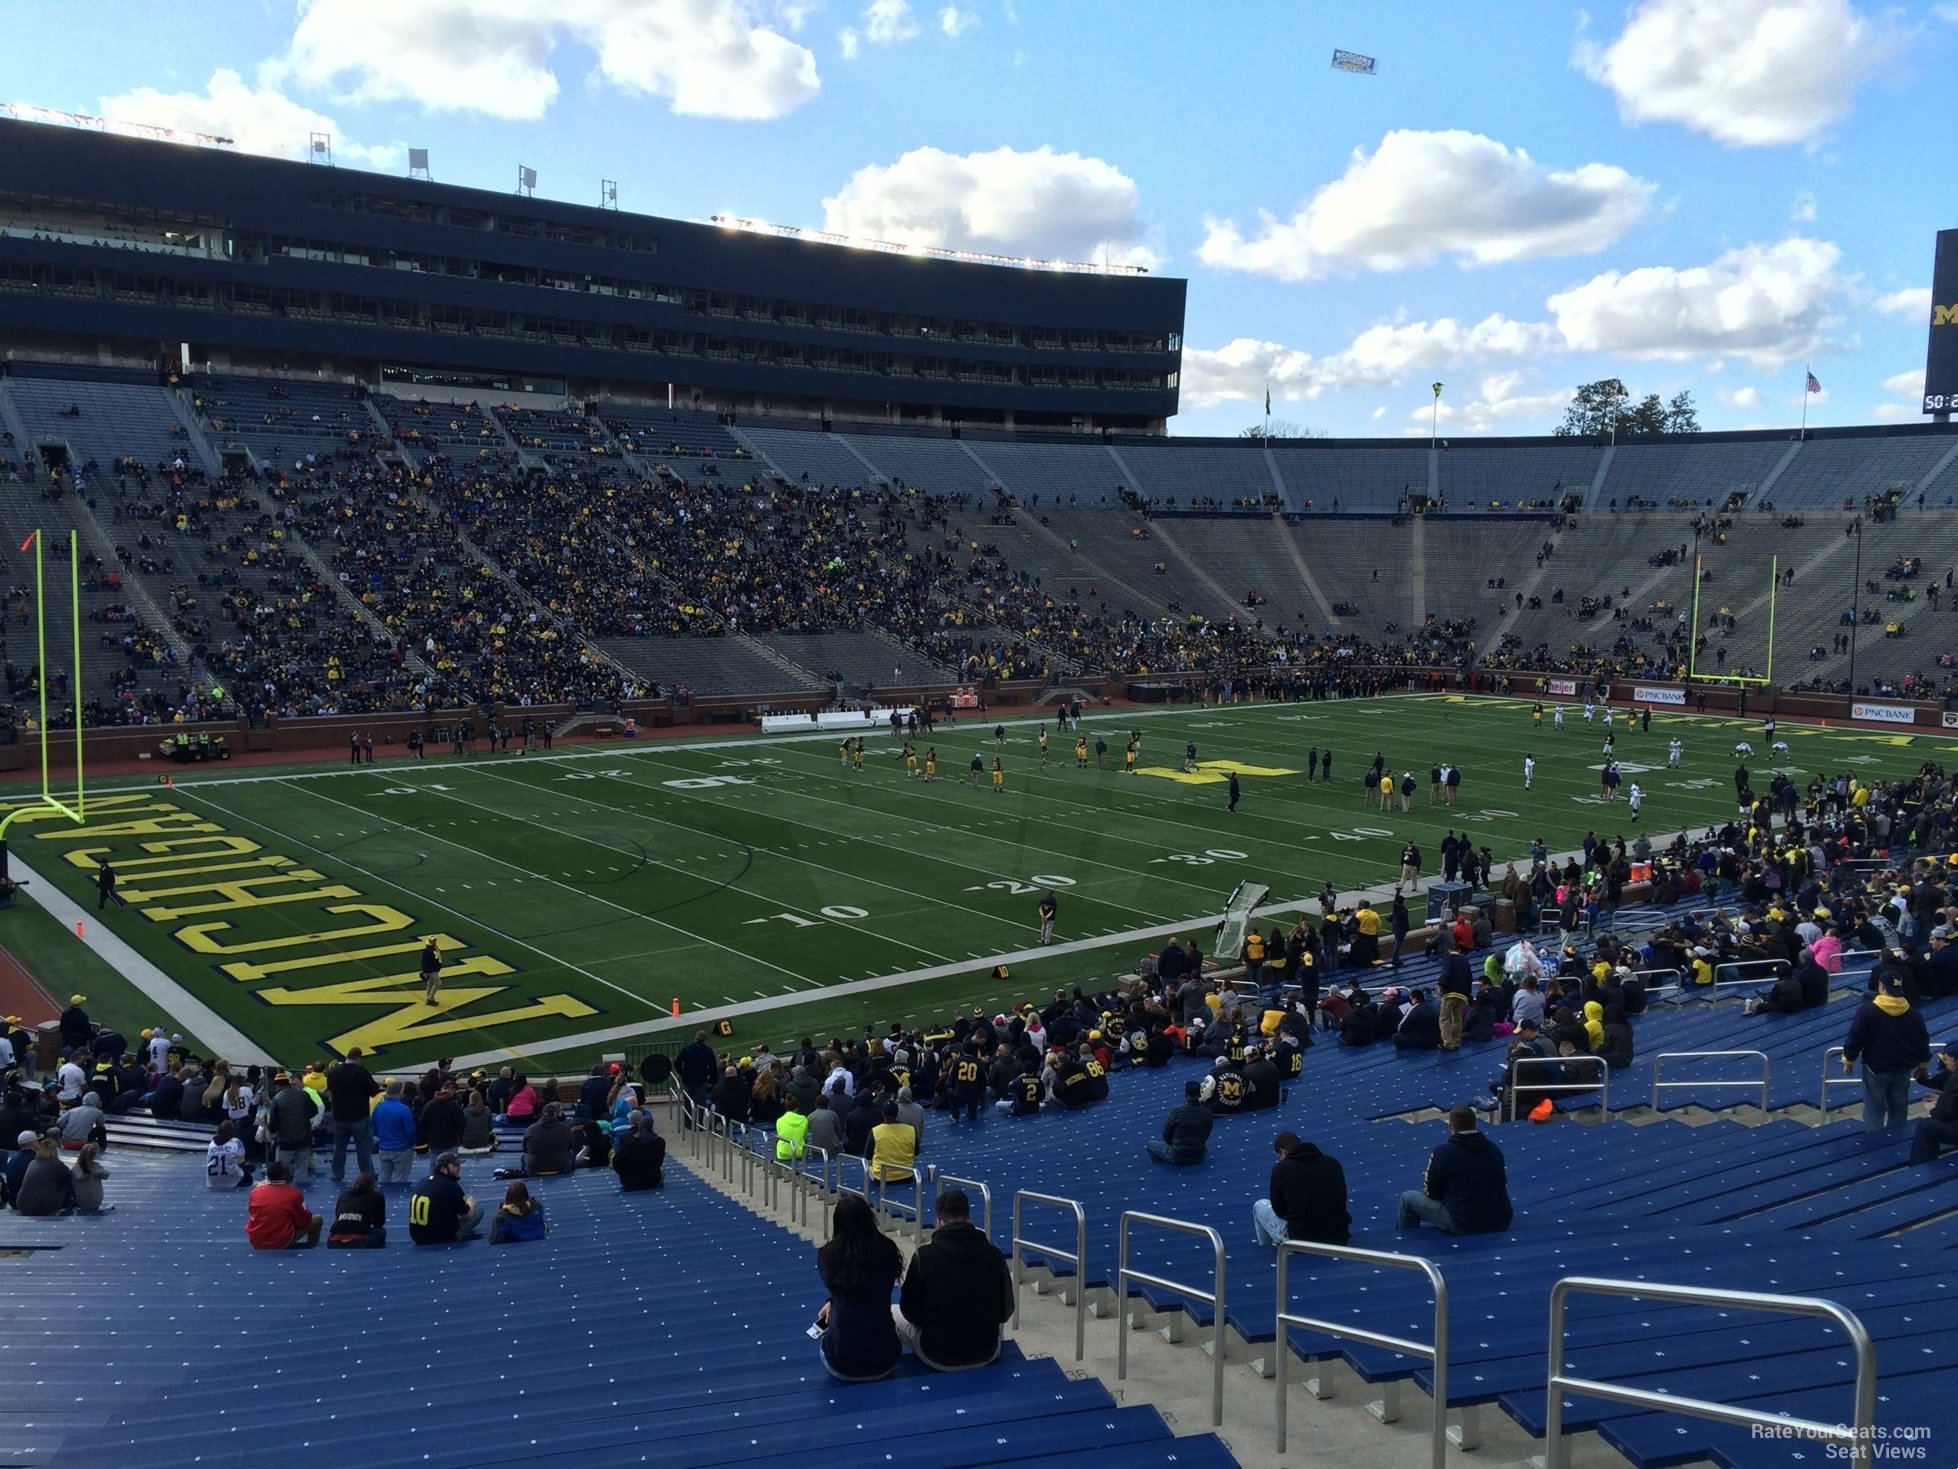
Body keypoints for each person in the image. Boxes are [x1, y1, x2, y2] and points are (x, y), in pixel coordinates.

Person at [895, 1189, 1014, 1370]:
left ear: (939, 1223)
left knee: (891, 1313)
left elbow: (909, 1312)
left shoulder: (924, 1257)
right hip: (986, 1352)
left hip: (936, 1355)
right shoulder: (994, 1255)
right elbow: (1006, 1311)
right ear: (969, 1219)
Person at [815, 1192, 904, 1382]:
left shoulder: (827, 1256)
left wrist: (833, 1301)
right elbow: (875, 1289)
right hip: (886, 1361)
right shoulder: (887, 1250)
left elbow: (843, 1288)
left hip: (841, 1364)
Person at [1397, 1105, 1513, 1235]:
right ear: (1475, 1124)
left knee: (1407, 1198)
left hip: (1464, 1223)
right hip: (1501, 1220)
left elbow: (1431, 1192)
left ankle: (1405, 1242)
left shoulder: (1443, 1153)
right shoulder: (1494, 1149)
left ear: (1450, 1127)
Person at [1842, 975, 1932, 1132]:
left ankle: (1874, 1147)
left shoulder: (1867, 1011)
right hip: (1903, 1069)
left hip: (1875, 1069)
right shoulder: (1914, 1014)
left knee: (1873, 1111)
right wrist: (1923, 1065)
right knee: (1899, 1110)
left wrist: (1849, 1060)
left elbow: (1855, 1037)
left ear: (1882, 987)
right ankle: (1895, 1146)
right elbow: (1922, 1041)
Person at [1252, 1132, 1350, 1247]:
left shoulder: (1281, 1170)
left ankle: (1267, 1250)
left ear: (1283, 1152)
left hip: (1300, 1240)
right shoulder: (1333, 1163)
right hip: (1338, 1237)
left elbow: (1279, 1211)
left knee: (1259, 1206)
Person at [326, 1048, 381, 1184]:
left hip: (339, 1116)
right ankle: (367, 1176)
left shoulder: (334, 1072)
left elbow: (330, 1089)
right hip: (359, 1116)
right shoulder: (361, 1072)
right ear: (358, 1058)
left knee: (339, 1148)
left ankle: (336, 1174)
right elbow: (374, 1091)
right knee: (363, 1149)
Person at [409, 1152, 482, 1244]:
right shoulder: (451, 1187)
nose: (459, 1168)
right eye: (455, 1165)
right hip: (441, 1238)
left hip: (416, 1236)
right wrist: (471, 1203)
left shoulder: (423, 1181)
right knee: (478, 1210)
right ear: (443, 1168)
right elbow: (466, 1216)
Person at [245, 1161, 322, 1248]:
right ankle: (313, 1251)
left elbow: (253, 1213)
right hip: (280, 1241)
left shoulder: (255, 1192)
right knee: (317, 1219)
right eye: (288, 1172)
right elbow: (304, 1220)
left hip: (256, 1240)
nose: (291, 1174)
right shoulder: (294, 1194)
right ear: (283, 1176)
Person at [1910, 1044, 1958, 1164]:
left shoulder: (1955, 1080)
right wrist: (1942, 1100)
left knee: (1926, 1126)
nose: (1945, 1062)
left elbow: (1942, 1115)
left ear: (1955, 1061)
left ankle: (1919, 1168)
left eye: (1947, 1058)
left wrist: (1934, 1107)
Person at [1146, 1081, 1214, 1165]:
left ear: (1185, 1094)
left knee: (1150, 1144)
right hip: (1199, 1156)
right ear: (1200, 1094)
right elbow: (1207, 1134)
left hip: (1178, 1156)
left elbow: (1166, 1135)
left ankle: (1160, 1166)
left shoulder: (1176, 1112)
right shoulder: (1208, 1113)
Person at [371, 1081, 416, 1184]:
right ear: (400, 1093)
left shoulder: (379, 1107)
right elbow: (410, 1131)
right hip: (402, 1149)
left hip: (384, 1148)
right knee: (400, 1180)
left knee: (384, 1180)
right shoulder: (403, 1109)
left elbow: (373, 1126)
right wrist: (412, 1144)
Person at [328, 1173, 386, 1248]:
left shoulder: (344, 1195)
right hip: (360, 1241)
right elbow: (379, 1223)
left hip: (334, 1241)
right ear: (372, 1186)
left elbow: (337, 1216)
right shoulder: (377, 1196)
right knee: (381, 1231)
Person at [613, 1110, 667, 1190]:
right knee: (662, 1172)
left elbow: (617, 1161)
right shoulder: (660, 1142)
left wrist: (624, 1173)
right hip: (652, 1180)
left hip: (630, 1181)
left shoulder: (631, 1142)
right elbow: (659, 1162)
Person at [521, 1103, 576, 1175]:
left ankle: (526, 1175)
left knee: (524, 1156)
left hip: (535, 1169)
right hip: (560, 1168)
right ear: (555, 1115)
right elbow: (571, 1145)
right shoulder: (565, 1128)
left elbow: (524, 1148)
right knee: (571, 1154)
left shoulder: (531, 1129)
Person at [207, 1120, 252, 1191]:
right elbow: (241, 1162)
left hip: (212, 1182)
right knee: (249, 1169)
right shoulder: (236, 1142)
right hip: (232, 1181)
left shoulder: (211, 1144)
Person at [71, 1143, 110, 1212]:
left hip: (80, 1200)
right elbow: (106, 1175)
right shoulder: (95, 1167)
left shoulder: (75, 1168)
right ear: (94, 1156)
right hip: (95, 1201)